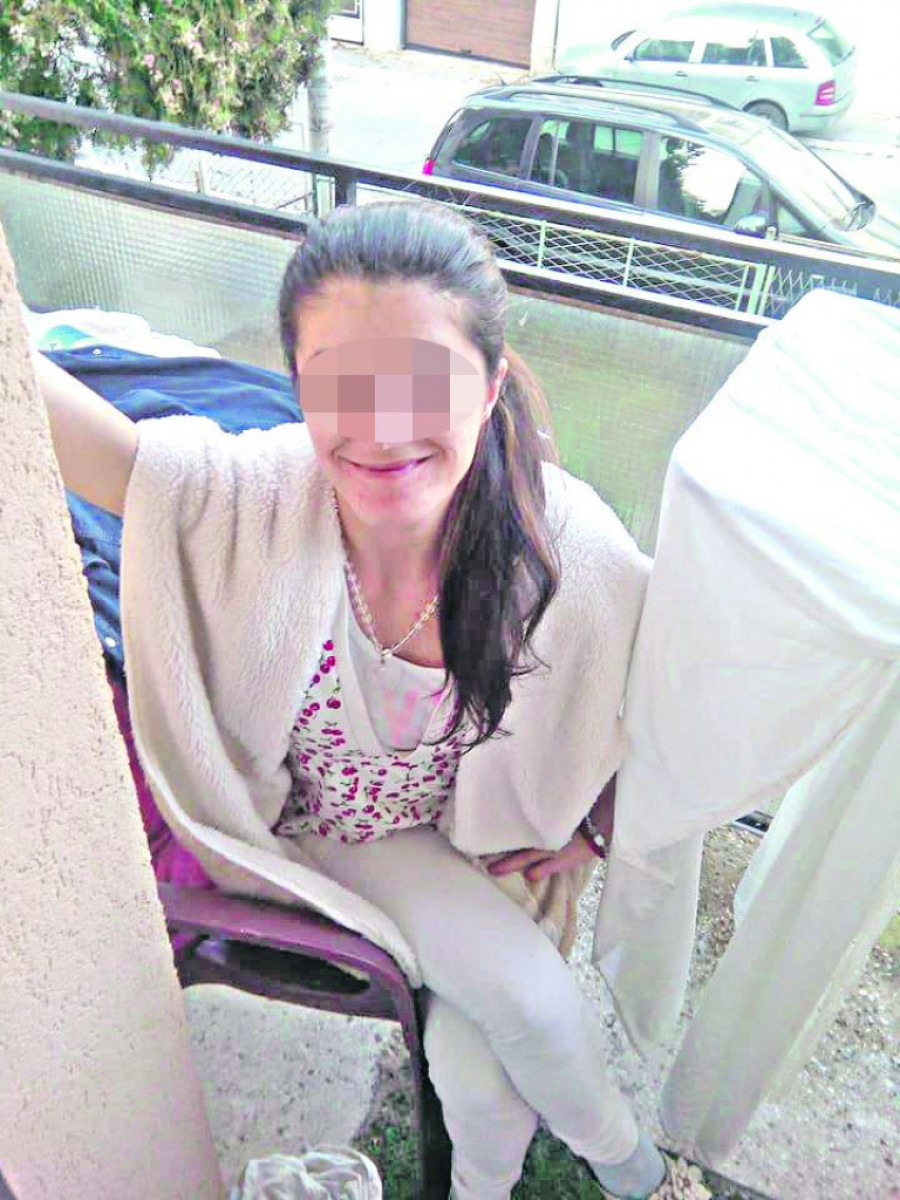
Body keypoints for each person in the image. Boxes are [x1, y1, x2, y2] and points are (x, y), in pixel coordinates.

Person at [35, 199, 673, 1200]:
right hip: (329, 839)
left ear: (489, 385)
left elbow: (684, 688)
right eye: (340, 384)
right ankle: (638, 1172)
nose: (382, 429)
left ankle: (585, 1177)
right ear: (297, 386)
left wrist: (603, 816)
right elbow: (95, 445)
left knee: (479, 1076)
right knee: (539, 1009)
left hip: (476, 841)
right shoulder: (253, 499)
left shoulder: (567, 547)